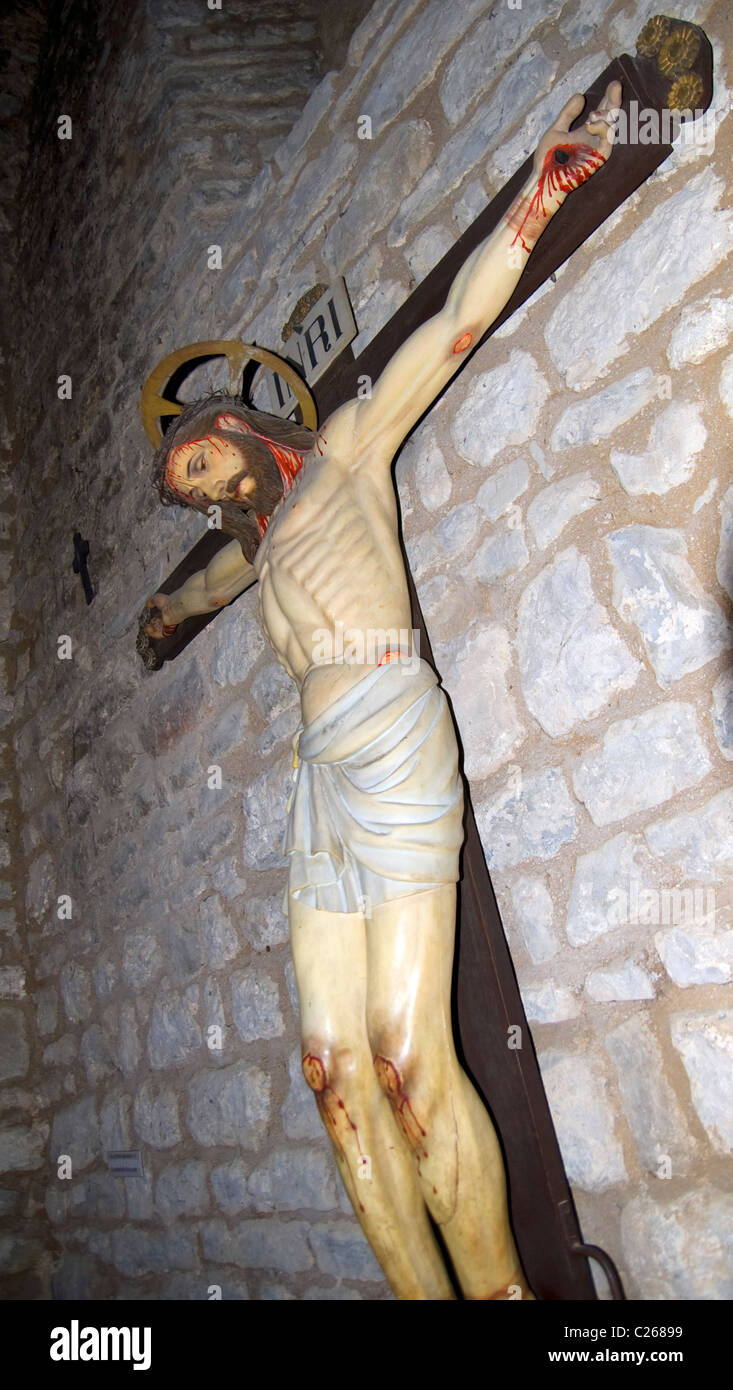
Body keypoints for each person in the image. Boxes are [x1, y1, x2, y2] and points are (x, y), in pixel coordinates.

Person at [145, 84, 621, 1299]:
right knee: (330, 1070)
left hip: (390, 721)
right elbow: (197, 595)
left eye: (202, 464)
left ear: (240, 431)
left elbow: (455, 324)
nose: (203, 497)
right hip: (318, 770)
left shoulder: (348, 450)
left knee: (410, 1058)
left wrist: (544, 188)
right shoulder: (246, 554)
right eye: (186, 492)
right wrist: (162, 613)